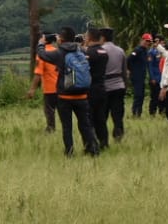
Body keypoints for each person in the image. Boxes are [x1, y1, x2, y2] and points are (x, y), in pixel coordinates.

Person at [37, 28, 97, 157]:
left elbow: (42, 55)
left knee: (67, 127)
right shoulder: (80, 50)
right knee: (85, 125)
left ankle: (69, 152)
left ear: (61, 39)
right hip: (82, 95)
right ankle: (92, 150)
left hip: (65, 96)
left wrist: (41, 43)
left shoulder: (60, 53)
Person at [83, 28, 111, 149]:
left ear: (89, 38)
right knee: (101, 118)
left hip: (90, 89)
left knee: (89, 119)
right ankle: (104, 142)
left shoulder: (88, 53)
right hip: (101, 88)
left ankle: (92, 143)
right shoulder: (103, 52)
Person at [100, 27, 128, 141]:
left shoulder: (100, 50)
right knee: (117, 115)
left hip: (105, 86)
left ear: (102, 37)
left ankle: (102, 137)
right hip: (119, 86)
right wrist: (125, 85)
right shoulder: (120, 51)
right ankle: (118, 135)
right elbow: (124, 71)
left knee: (103, 115)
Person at [30, 35, 60, 135]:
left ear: (44, 40)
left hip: (50, 88)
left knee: (49, 111)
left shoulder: (42, 54)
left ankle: (51, 129)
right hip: (61, 87)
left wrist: (32, 89)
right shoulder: (58, 52)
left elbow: (38, 74)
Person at [128, 35, 150, 118]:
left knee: (141, 95)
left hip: (142, 76)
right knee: (138, 95)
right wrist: (130, 70)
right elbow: (129, 60)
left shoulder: (145, 51)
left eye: (149, 41)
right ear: (142, 40)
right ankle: (135, 113)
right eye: (146, 41)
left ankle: (139, 113)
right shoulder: (137, 50)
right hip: (136, 76)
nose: (147, 43)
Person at [147, 33, 167, 119]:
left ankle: (162, 112)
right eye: (156, 41)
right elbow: (150, 66)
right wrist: (152, 77)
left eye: (160, 41)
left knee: (163, 97)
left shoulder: (166, 52)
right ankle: (152, 113)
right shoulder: (151, 52)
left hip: (163, 77)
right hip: (156, 77)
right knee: (154, 97)